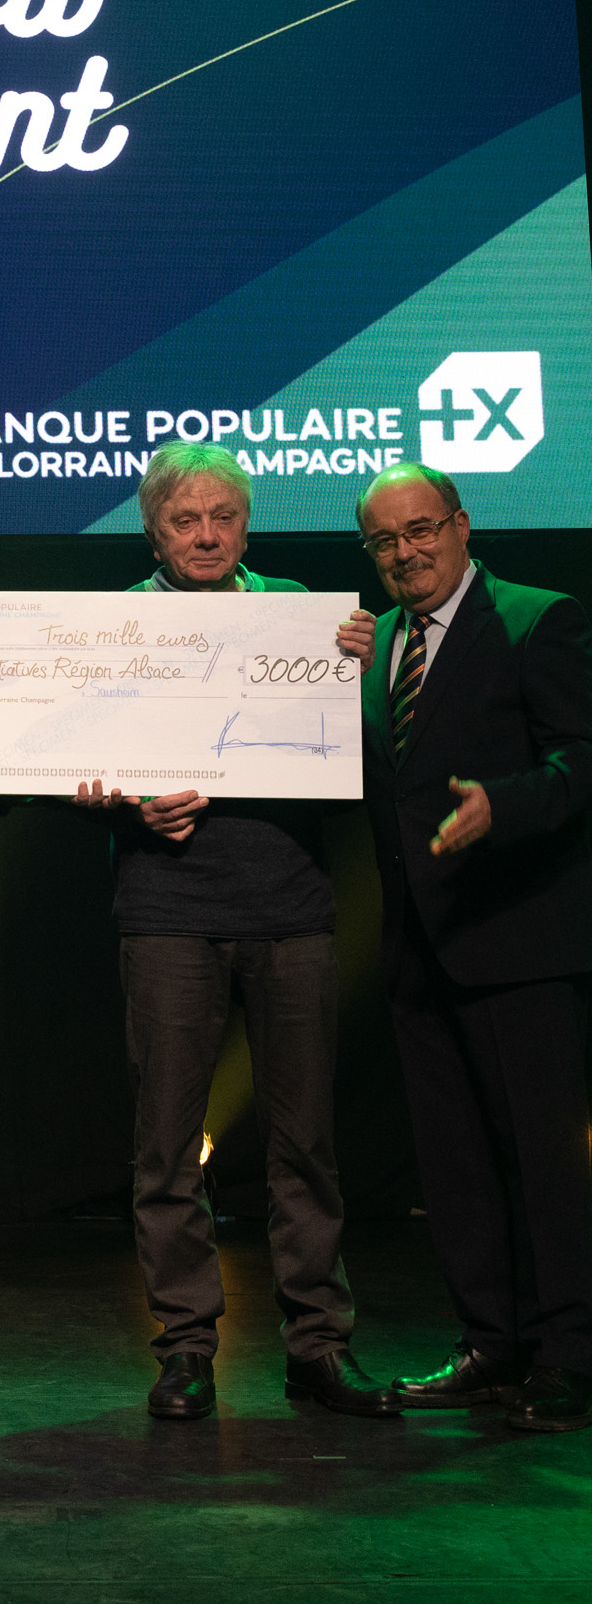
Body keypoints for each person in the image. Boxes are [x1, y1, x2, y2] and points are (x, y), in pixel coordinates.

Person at [74, 442, 397, 1419]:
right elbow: (74, 761)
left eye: (224, 516)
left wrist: (361, 677)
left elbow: (363, 757)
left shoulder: (301, 613)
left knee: (306, 1141)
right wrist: (118, 798)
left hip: (289, 906)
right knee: (167, 1143)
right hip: (167, 909)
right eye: (186, 520)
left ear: (247, 526)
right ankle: (185, 1347)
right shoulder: (116, 626)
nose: (208, 535)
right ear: (153, 534)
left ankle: (319, 1346)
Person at [357, 461, 592, 1432]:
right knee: (453, 1165)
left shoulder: (539, 619)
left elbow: (583, 760)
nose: (406, 552)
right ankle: (491, 1346)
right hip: (421, 949)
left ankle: (572, 1358)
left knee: (545, 1164)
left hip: (521, 943)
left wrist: (507, 804)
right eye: (385, 540)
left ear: (461, 525)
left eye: (421, 530)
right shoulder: (378, 646)